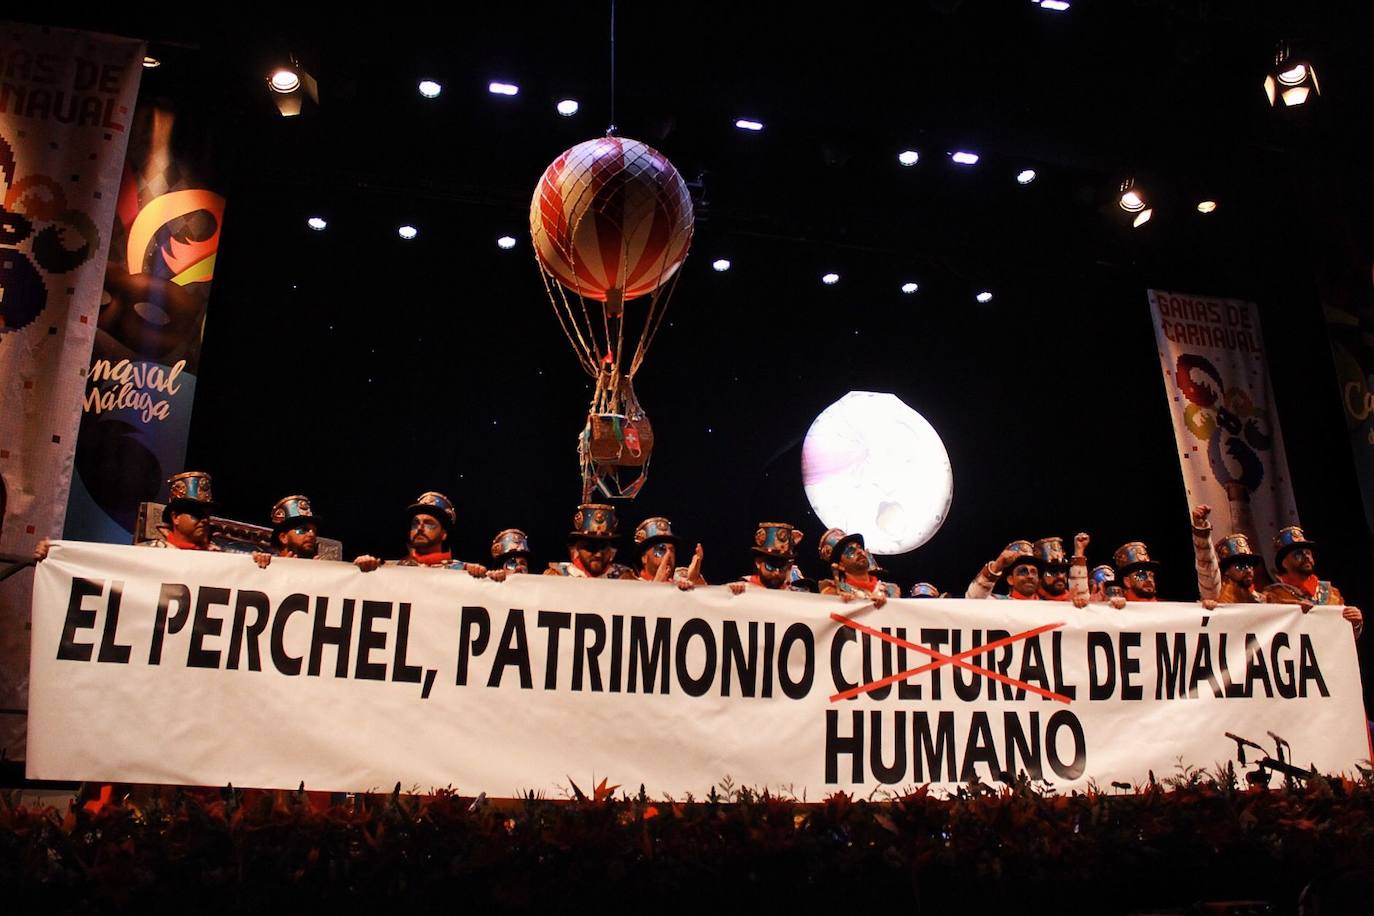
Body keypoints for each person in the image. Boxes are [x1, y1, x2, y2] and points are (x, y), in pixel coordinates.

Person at [353, 491, 491, 578]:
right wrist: (365, 566)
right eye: (415, 523)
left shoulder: (463, 571)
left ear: (444, 534)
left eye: (429, 523)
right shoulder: (389, 567)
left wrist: (486, 576)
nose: (419, 528)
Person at [1261, 526, 1362, 637]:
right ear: (1284, 562)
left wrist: (1355, 623)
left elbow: (1345, 636)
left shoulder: (1332, 593)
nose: (1306, 556)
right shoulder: (1273, 597)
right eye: (1298, 554)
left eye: (1308, 552)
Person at [544, 503, 635, 579]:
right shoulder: (558, 576)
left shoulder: (624, 578)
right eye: (590, 548)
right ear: (576, 548)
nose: (598, 554)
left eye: (603, 547)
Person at [817, 528, 900, 605]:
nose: (859, 551)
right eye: (850, 550)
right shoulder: (834, 592)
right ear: (841, 565)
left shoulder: (891, 590)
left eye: (859, 548)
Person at [727, 521, 804, 594]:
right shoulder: (744, 587)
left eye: (782, 567)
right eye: (770, 567)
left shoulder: (793, 591)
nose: (776, 573)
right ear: (758, 562)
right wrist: (733, 592)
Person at [631, 517, 705, 589]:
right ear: (644, 557)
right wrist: (656, 586)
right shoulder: (631, 585)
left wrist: (695, 581)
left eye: (672, 550)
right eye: (660, 549)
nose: (668, 554)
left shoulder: (681, 581)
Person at [252, 495, 322, 567]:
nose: (312, 535)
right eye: (303, 530)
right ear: (283, 537)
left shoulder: (318, 570)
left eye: (314, 531)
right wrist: (258, 565)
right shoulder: (267, 565)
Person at [966, 539, 1039, 600]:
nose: (1030, 576)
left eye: (1034, 572)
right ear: (1010, 580)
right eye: (1023, 572)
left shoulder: (1047, 606)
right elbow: (973, 600)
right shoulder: (997, 603)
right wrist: (996, 566)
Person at [1033, 534, 1090, 607]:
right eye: (1053, 572)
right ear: (1040, 576)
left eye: (1063, 571)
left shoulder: (1075, 600)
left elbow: (1080, 584)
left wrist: (1079, 551)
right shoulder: (1030, 602)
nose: (1060, 576)